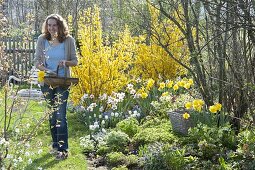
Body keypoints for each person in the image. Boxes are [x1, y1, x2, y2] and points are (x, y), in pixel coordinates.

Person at [34, 14, 78, 160]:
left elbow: (75, 61)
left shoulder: (69, 40)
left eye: (55, 25)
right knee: (52, 115)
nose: (52, 28)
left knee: (60, 114)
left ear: (60, 25)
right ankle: (55, 145)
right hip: (47, 81)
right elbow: (37, 62)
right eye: (49, 25)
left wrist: (65, 62)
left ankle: (63, 149)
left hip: (63, 81)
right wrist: (47, 70)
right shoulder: (42, 40)